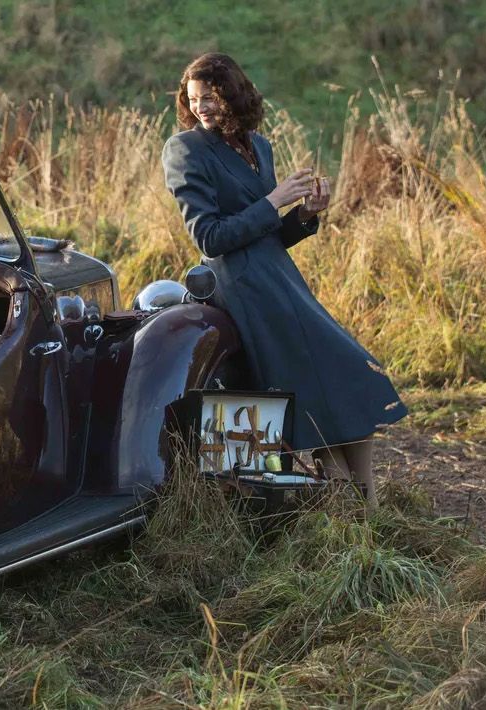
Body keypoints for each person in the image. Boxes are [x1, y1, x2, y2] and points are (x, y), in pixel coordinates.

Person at [160, 52, 406, 507]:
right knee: (337, 374)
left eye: (210, 97)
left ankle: (359, 508)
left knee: (346, 379)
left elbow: (269, 234)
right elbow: (209, 236)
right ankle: (353, 511)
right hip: (239, 286)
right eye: (194, 100)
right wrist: (273, 201)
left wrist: (305, 214)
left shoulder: (260, 146)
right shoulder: (185, 149)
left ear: (233, 94)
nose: (202, 108)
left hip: (279, 277)